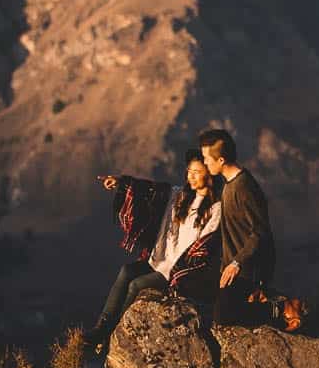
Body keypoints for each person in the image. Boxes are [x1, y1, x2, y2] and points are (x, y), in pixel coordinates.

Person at [85, 149, 222, 352]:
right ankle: (101, 327)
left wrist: (182, 269)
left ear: (209, 174)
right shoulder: (181, 196)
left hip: (181, 273)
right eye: (189, 171)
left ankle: (112, 338)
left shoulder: (216, 208)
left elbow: (206, 244)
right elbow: (151, 190)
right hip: (162, 260)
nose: (190, 176)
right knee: (127, 271)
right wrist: (122, 183)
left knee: (137, 284)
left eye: (197, 172)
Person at [197, 128, 278, 326]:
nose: (205, 163)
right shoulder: (228, 184)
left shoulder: (244, 187)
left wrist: (237, 263)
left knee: (222, 319)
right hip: (229, 266)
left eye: (207, 159)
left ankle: (276, 309)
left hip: (247, 270)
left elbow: (260, 232)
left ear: (221, 160)